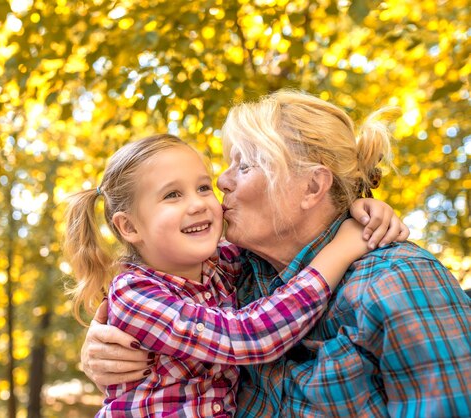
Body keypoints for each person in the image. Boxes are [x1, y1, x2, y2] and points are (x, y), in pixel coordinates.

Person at [80, 90, 471, 417]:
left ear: (312, 187)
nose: (221, 182)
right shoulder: (241, 277)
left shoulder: (399, 281)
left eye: (245, 165)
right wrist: (102, 349)